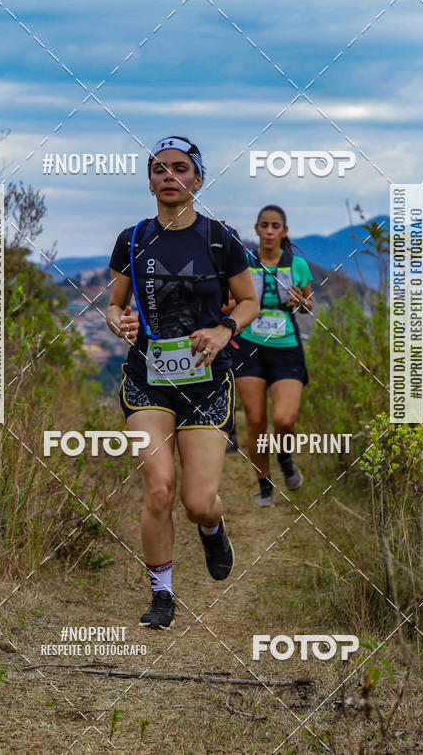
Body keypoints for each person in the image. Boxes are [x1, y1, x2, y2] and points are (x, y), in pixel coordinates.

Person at [106, 136, 259, 629]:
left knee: (196, 501)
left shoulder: (220, 238)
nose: (168, 177)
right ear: (148, 180)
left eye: (179, 169)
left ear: (197, 178)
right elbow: (114, 304)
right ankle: (162, 595)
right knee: (158, 488)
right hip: (147, 379)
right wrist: (118, 321)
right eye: (158, 169)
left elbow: (249, 301)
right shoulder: (132, 239)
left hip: (206, 383)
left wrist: (223, 329)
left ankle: (212, 527)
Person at [231, 205, 313, 506]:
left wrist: (300, 300)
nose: (268, 231)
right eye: (263, 225)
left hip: (287, 348)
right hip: (250, 347)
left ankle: (285, 456)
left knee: (284, 419)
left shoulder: (297, 265)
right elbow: (229, 304)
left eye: (275, 226)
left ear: (284, 231)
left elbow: (308, 307)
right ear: (256, 229)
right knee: (255, 420)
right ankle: (264, 483)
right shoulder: (244, 264)